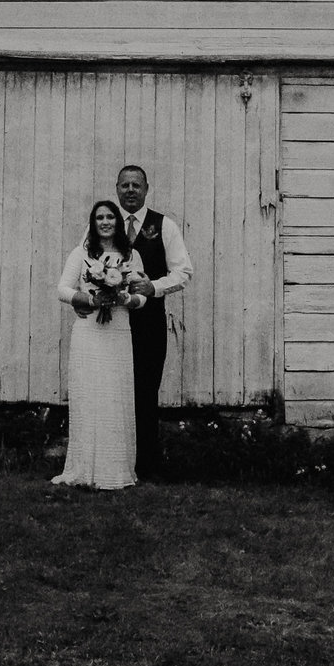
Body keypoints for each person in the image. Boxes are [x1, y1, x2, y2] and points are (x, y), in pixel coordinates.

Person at [51, 198, 146, 489]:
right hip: (89, 333)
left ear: (118, 222)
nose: (105, 222)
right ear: (93, 223)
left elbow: (143, 295)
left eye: (110, 217)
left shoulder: (132, 255)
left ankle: (115, 471)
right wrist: (90, 299)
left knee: (115, 398)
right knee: (89, 397)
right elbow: (63, 289)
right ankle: (85, 470)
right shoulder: (81, 254)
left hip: (118, 332)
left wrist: (127, 298)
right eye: (99, 218)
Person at [111, 164, 193, 479]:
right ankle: (113, 461)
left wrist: (154, 287)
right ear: (117, 189)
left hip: (148, 323)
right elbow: (86, 265)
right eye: (124, 185)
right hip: (111, 322)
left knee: (145, 392)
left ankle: (145, 465)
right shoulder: (105, 222)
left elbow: (183, 272)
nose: (130, 190)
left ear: (146, 189)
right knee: (114, 391)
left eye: (136, 185)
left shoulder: (164, 225)